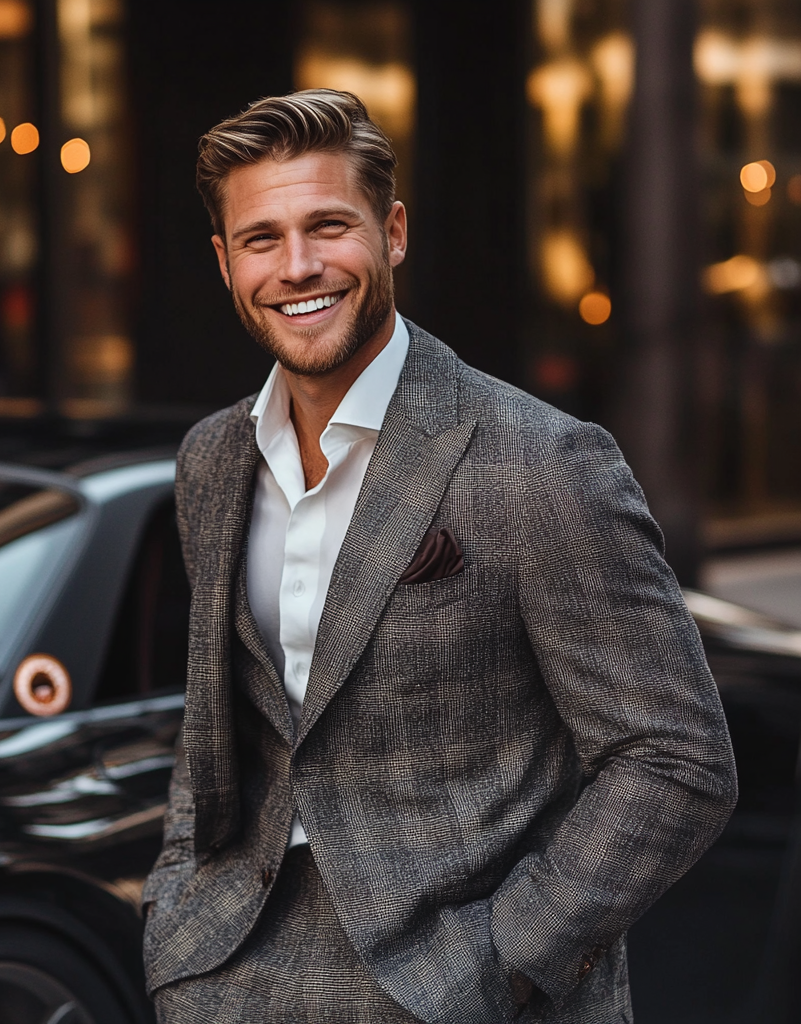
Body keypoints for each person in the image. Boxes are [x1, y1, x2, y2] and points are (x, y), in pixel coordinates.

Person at [141, 89, 737, 1024]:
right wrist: (174, 915)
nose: (298, 267)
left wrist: (508, 962)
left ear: (394, 232)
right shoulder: (210, 460)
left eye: (329, 226)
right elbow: (220, 725)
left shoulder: (540, 462)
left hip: (458, 985)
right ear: (224, 262)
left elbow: (677, 760)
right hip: (230, 975)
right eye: (261, 239)